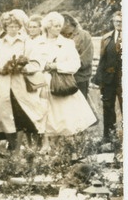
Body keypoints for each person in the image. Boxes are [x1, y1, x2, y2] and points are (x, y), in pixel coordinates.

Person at [0, 10, 47, 152]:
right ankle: (13, 147)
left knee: (21, 116)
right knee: (5, 117)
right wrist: (0, 67)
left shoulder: (27, 43)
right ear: (5, 27)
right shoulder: (0, 43)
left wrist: (21, 67)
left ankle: (19, 151)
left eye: (16, 26)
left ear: (20, 27)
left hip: (20, 85)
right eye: (9, 26)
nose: (13, 29)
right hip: (4, 84)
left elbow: (37, 63)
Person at [38, 12, 97, 146]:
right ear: (48, 27)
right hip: (43, 83)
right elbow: (32, 62)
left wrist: (56, 66)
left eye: (60, 26)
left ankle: (69, 148)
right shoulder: (37, 43)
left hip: (61, 83)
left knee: (65, 117)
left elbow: (75, 64)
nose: (59, 28)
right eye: (55, 26)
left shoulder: (67, 43)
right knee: (45, 114)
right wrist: (43, 66)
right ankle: (47, 146)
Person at [93, 10, 122, 148]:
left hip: (123, 81)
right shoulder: (106, 38)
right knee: (108, 109)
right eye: (116, 21)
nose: (119, 24)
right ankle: (110, 138)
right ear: (113, 22)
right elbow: (102, 61)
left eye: (121, 21)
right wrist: (100, 81)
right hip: (109, 80)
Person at [61, 13, 94, 100]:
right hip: (62, 79)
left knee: (81, 105)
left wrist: (67, 67)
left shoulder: (84, 35)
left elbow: (86, 59)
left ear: (67, 23)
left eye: (59, 23)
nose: (58, 26)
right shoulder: (59, 36)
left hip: (79, 78)